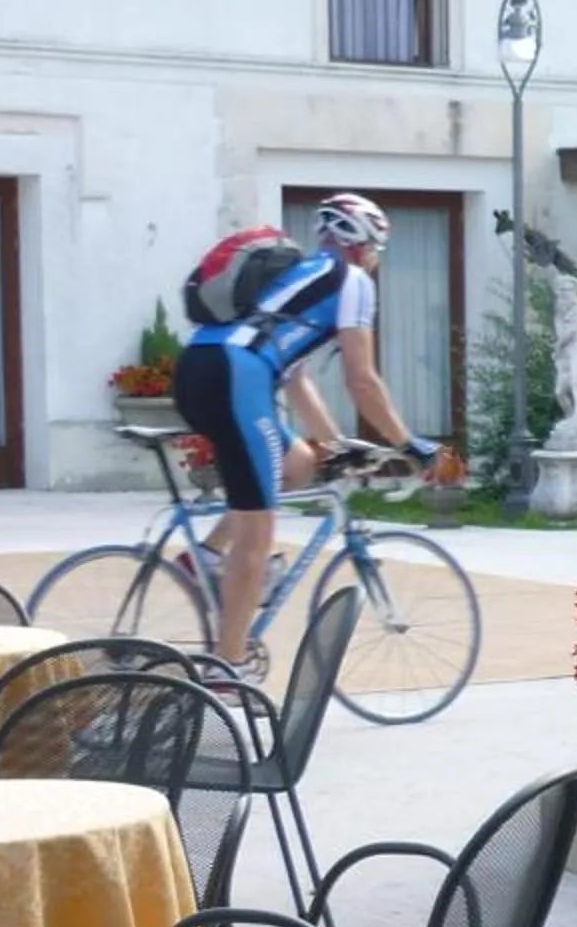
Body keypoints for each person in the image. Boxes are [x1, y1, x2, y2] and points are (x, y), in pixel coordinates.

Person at [172, 193, 435, 667]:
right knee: (257, 537)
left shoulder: (297, 278)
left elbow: (296, 380)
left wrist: (334, 447)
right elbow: (362, 380)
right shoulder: (352, 280)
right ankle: (225, 669)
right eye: (378, 250)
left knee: (299, 462)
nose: (376, 261)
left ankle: (204, 556)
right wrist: (407, 443)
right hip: (236, 376)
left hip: (200, 366)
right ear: (363, 243)